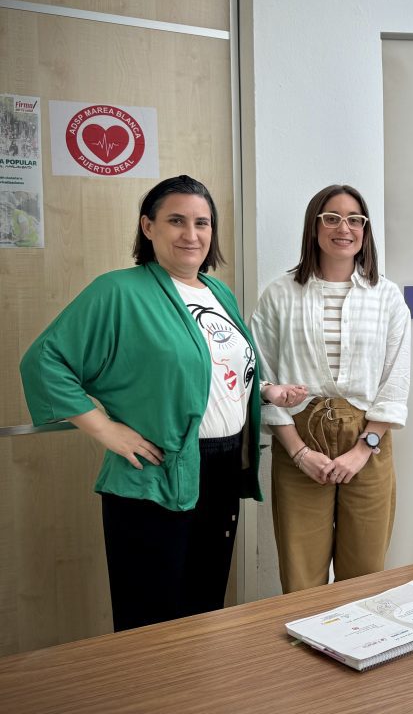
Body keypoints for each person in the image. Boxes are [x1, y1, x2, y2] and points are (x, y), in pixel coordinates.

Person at [19, 175, 306, 631]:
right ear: (147, 227)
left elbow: (211, 364)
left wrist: (266, 389)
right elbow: (44, 361)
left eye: (202, 223)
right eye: (176, 220)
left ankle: (192, 698)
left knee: (203, 604)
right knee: (151, 618)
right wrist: (104, 428)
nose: (191, 234)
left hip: (222, 467)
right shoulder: (118, 291)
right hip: (158, 473)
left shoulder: (219, 293)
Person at [251, 183, 411, 593]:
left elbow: (394, 381)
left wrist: (363, 450)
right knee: (301, 570)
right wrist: (299, 452)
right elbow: (260, 375)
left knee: (366, 568)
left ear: (365, 230)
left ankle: (360, 647)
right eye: (332, 218)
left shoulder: (387, 297)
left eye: (355, 219)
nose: (345, 228)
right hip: (299, 435)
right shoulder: (279, 294)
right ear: (314, 226)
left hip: (368, 439)